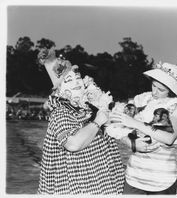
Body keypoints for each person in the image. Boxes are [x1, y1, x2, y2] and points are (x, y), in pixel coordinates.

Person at [37, 48, 124, 194]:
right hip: (77, 187)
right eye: (69, 80)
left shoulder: (88, 106)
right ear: (59, 91)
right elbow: (73, 144)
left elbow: (112, 132)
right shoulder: (60, 112)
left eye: (77, 78)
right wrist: (97, 122)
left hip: (102, 182)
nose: (77, 83)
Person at [110, 62, 177, 195]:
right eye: (153, 85)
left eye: (161, 90)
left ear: (171, 91)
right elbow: (117, 125)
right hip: (134, 177)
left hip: (162, 181)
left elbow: (169, 137)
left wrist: (136, 124)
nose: (154, 92)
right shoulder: (142, 99)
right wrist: (131, 142)